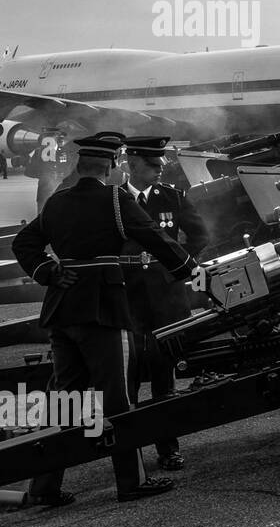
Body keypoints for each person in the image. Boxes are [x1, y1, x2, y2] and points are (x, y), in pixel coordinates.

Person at [11, 131, 196, 506]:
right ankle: (131, 481)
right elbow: (153, 237)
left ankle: (44, 486)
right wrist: (186, 267)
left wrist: (47, 271)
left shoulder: (57, 202)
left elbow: (23, 243)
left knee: (63, 397)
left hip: (63, 308)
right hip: (105, 309)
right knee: (118, 398)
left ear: (81, 166)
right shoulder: (116, 200)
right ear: (111, 166)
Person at [121, 135, 209, 471]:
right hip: (128, 300)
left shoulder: (172, 197)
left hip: (165, 301)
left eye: (161, 165)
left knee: (163, 380)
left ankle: (167, 448)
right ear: (133, 165)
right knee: (126, 381)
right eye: (153, 165)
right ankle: (130, 454)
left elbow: (200, 235)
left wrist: (178, 266)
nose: (160, 170)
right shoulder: (115, 201)